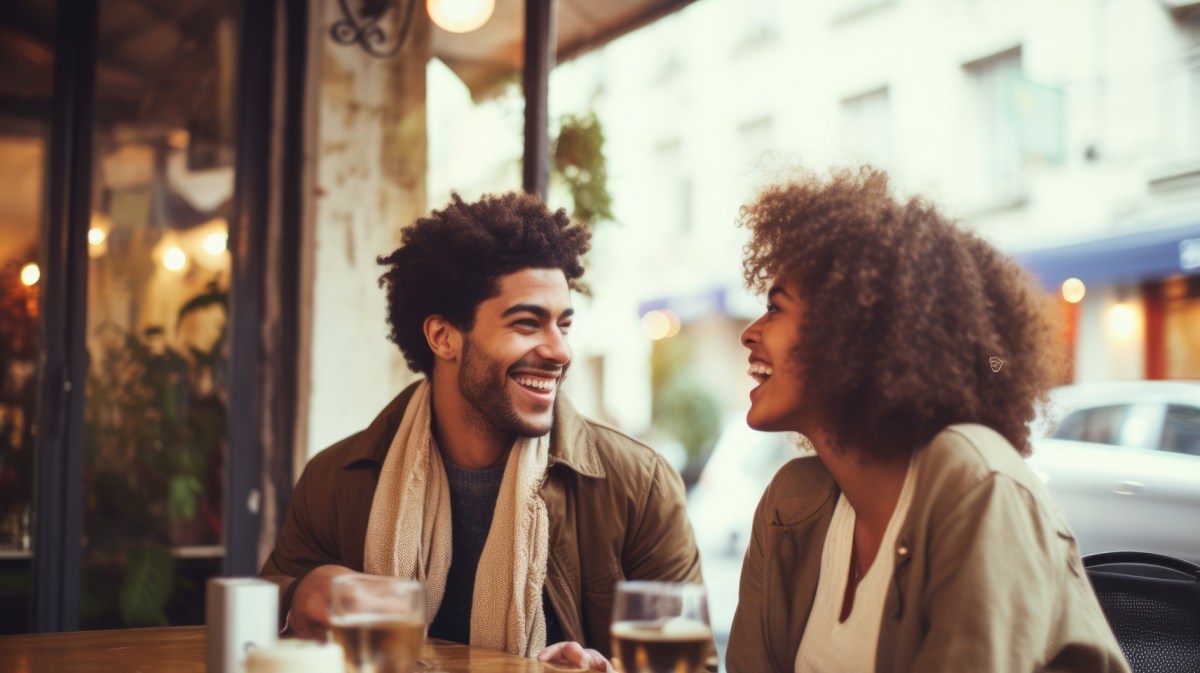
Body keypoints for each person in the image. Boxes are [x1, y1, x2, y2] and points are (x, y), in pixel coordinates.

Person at [261, 192, 704, 670]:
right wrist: (299, 594)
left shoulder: (638, 484)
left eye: (564, 325)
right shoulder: (337, 479)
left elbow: (693, 664)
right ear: (443, 337)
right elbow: (258, 628)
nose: (559, 351)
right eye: (527, 323)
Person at [726, 167, 1130, 673]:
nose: (749, 333)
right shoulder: (792, 502)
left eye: (775, 308)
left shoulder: (977, 482)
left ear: (854, 330)